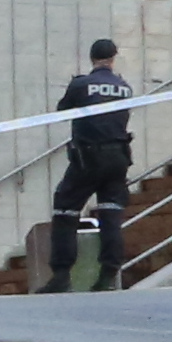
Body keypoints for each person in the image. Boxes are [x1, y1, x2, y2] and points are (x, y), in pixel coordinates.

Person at [43, 35, 137, 293]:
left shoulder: (81, 85)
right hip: (118, 158)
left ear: (92, 58)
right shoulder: (125, 87)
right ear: (113, 58)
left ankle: (61, 275)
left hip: (88, 158)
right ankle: (108, 275)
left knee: (65, 209)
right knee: (111, 214)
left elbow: (63, 111)